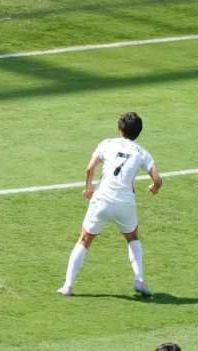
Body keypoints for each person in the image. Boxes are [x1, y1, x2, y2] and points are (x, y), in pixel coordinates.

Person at [59, 112, 164, 297]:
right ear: (138, 132)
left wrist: (88, 187)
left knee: (84, 239)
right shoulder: (142, 152)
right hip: (125, 203)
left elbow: (90, 168)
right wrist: (154, 189)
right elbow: (157, 180)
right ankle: (139, 280)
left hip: (102, 200)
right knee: (132, 237)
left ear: (119, 129)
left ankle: (67, 286)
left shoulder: (107, 144)